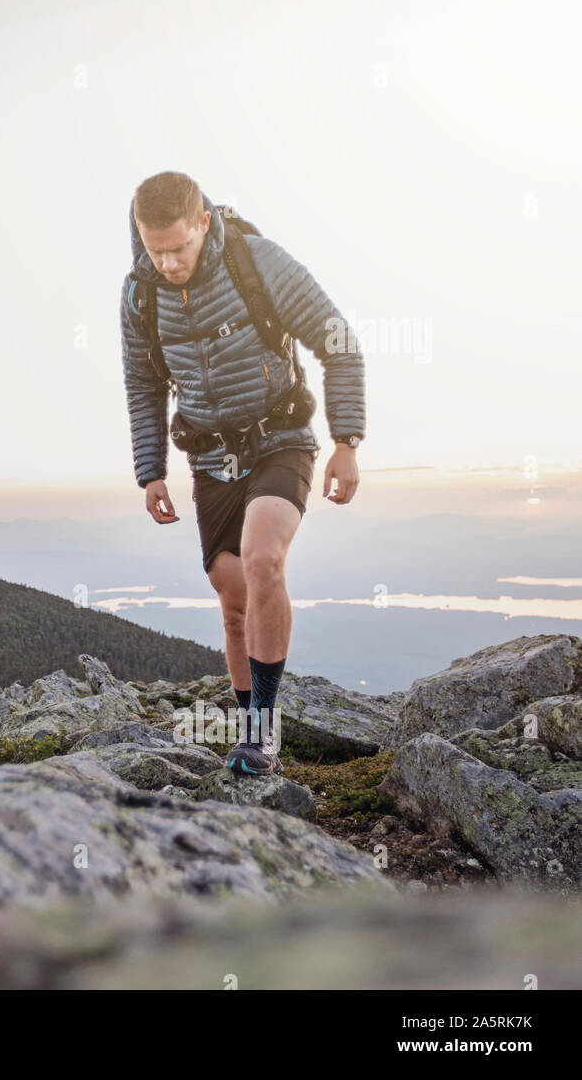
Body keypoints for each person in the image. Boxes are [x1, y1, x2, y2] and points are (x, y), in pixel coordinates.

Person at [120, 171, 366, 775]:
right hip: (209, 459)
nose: (170, 262)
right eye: (156, 251)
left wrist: (346, 440)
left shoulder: (257, 263)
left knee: (263, 560)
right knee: (233, 601)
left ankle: (262, 736)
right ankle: (248, 726)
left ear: (203, 220)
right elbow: (143, 386)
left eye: (179, 246)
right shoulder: (139, 294)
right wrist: (150, 470)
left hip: (281, 439)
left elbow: (339, 341)